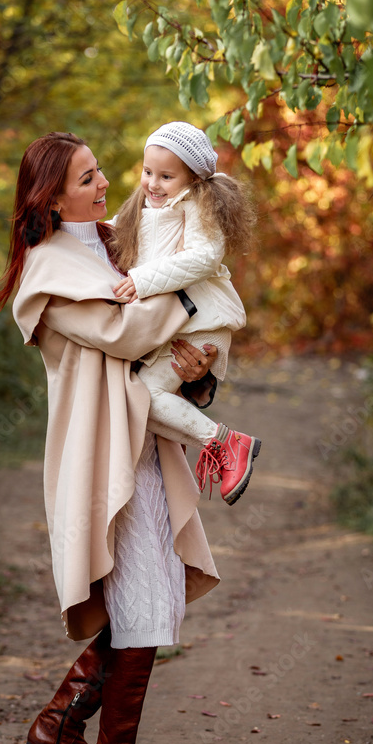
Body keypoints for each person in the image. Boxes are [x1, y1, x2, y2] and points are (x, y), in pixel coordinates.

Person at [0, 131, 222, 744]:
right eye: (87, 178)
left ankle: (64, 721)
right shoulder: (46, 270)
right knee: (146, 595)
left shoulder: (114, 245)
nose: (104, 185)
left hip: (144, 437)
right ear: (52, 196)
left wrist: (198, 374)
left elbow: (154, 358)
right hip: (99, 450)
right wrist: (195, 287)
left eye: (99, 173)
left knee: (152, 593)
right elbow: (126, 334)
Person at [110, 121, 261, 505]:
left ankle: (226, 444)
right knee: (140, 400)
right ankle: (224, 445)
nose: (153, 184)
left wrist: (142, 281)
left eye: (166, 176)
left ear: (193, 179)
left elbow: (205, 257)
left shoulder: (197, 205)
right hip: (179, 321)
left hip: (201, 321)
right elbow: (112, 232)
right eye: (147, 173)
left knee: (143, 394)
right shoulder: (145, 207)